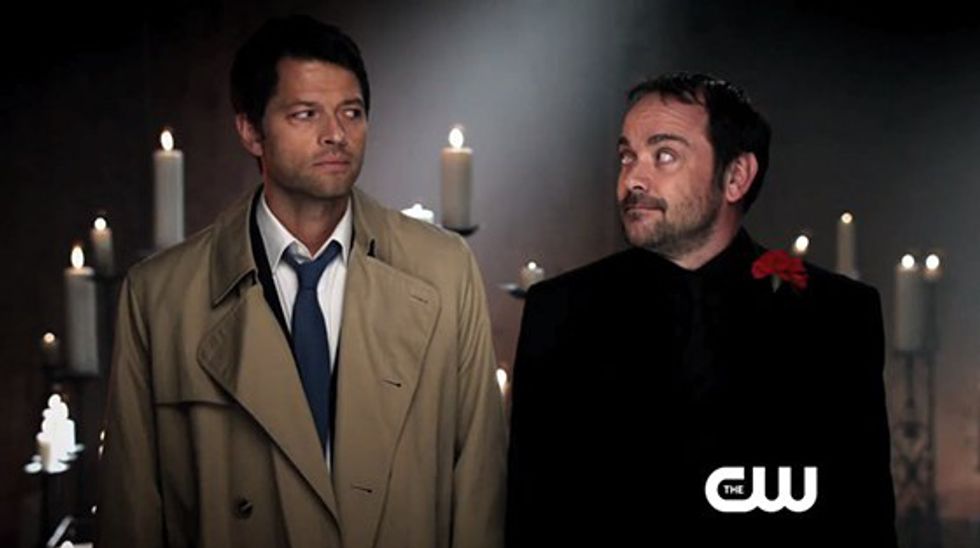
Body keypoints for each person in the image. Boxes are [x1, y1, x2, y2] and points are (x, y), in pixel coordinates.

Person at [98, 15, 505, 548]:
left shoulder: (445, 271)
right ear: (251, 131)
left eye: (351, 112)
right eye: (306, 113)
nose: (336, 134)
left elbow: (480, 489)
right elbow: (130, 513)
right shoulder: (160, 297)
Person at [505, 72, 896, 547]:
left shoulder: (836, 316)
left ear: (736, 177)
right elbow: (531, 516)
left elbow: (861, 518)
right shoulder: (559, 312)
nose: (633, 179)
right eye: (627, 156)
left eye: (664, 155)